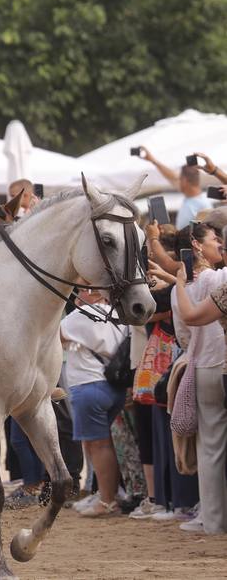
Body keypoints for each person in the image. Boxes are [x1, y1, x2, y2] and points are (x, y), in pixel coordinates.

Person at [163, 222, 227, 533]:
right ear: (197, 245)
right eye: (216, 240)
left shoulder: (182, 289)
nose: (220, 245)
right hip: (219, 363)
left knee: (210, 448)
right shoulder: (218, 278)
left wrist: (174, 280)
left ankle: (212, 519)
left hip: (200, 365)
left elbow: (184, 332)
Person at [59, 287, 131, 518]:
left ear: (95, 291)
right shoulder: (116, 312)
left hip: (89, 385)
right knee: (100, 443)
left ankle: (107, 500)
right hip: (112, 385)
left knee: (98, 445)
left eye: (82, 290)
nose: (77, 295)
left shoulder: (85, 313)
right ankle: (107, 494)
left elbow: (54, 334)